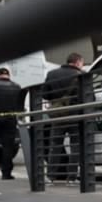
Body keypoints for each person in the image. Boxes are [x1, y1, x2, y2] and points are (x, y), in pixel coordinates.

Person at [42, 53, 84, 182]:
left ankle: (50, 176)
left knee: (55, 145)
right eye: (81, 63)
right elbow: (88, 96)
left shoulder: (52, 74)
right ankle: (71, 177)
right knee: (75, 146)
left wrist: (56, 100)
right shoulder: (81, 75)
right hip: (75, 114)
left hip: (58, 114)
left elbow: (45, 94)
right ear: (77, 62)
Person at [0, 68, 22, 180]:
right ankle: (6, 174)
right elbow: (19, 104)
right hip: (10, 118)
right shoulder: (16, 86)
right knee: (8, 147)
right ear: (8, 75)